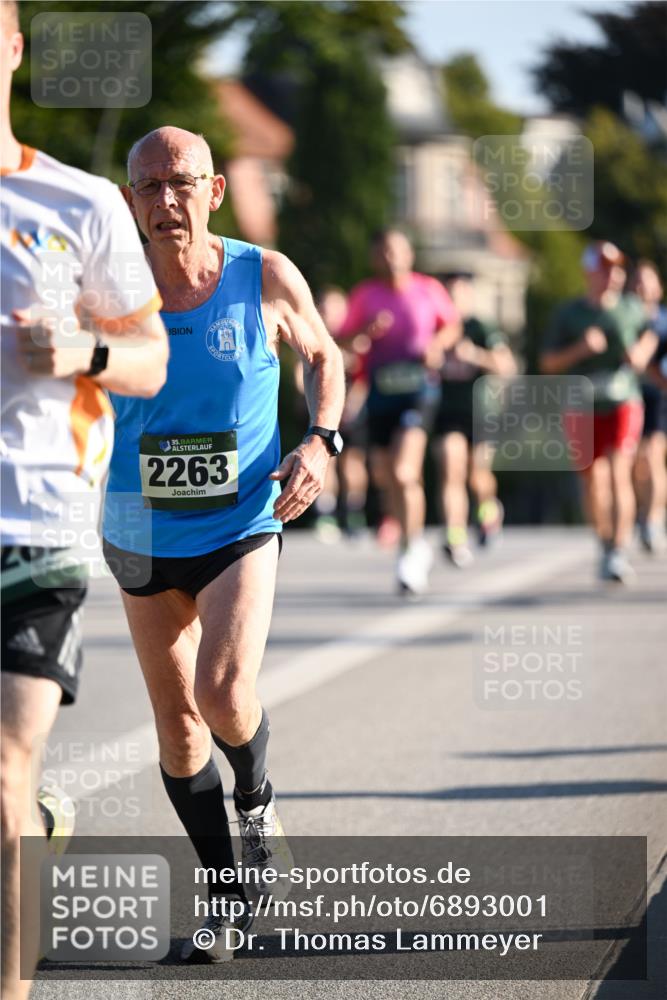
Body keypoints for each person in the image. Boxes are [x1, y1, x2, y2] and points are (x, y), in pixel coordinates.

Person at [101, 126, 345, 961]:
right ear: (129, 200)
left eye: (180, 184)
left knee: (224, 691)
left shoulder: (262, 275)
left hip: (240, 516)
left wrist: (320, 440)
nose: (164, 201)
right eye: (147, 187)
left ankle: (257, 792)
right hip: (137, 528)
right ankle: (226, 896)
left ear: (212, 192)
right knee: (175, 730)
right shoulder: (105, 288)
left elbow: (323, 353)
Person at [0, 4, 169, 998]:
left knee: (1, 769)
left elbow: (148, 358)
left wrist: (83, 352)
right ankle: (36, 825)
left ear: (13, 50)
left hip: (37, 527)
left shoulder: (81, 203)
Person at [337, 229, 460, 594]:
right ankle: (411, 535)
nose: (392, 258)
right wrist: (364, 333)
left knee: (406, 471)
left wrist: (437, 344)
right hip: (381, 392)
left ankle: (411, 549)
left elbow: (452, 325)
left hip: (419, 390)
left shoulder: (428, 290)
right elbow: (342, 339)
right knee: (386, 474)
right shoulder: (365, 295)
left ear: (409, 254)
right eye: (384, 252)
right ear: (376, 258)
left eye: (397, 251)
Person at [540, 241, 658, 583]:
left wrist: (640, 354)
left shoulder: (631, 308)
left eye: (618, 270)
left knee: (620, 471)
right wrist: (580, 349)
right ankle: (605, 542)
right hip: (581, 406)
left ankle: (618, 549)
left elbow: (651, 333)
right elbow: (547, 363)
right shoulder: (569, 314)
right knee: (593, 481)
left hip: (623, 401)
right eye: (605, 270)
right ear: (589, 273)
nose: (613, 277)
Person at [433, 273, 517, 567]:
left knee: (477, 475)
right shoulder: (437, 329)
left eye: (459, 296)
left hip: (481, 412)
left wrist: (476, 355)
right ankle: (454, 536)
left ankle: (488, 510)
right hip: (447, 412)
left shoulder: (481, 327)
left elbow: (506, 366)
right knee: (450, 468)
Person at [299, 287, 369, 542]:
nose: (332, 314)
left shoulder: (357, 340)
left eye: (337, 308)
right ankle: (325, 514)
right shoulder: (313, 338)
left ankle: (354, 513)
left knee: (353, 464)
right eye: (326, 308)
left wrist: (353, 405)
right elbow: (301, 373)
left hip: (351, 410)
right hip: (322, 411)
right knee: (327, 462)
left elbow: (364, 378)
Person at [630, 260, 667, 553]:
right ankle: (644, 513)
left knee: (653, 456)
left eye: (648, 280)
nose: (643, 286)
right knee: (637, 463)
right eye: (638, 281)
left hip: (659, 395)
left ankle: (653, 519)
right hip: (630, 395)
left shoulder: (664, 321)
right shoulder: (624, 317)